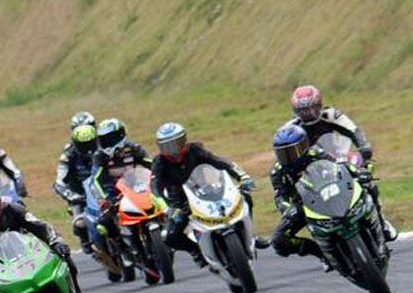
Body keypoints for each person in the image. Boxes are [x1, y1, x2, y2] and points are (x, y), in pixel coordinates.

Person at [287, 85, 395, 240]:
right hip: (314, 170)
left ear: (319, 105)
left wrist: (364, 146)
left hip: (341, 157)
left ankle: (381, 221)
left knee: (367, 181)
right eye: (303, 110)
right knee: (304, 202)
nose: (308, 114)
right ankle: (324, 243)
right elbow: (286, 154)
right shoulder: (293, 128)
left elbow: (354, 130)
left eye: (312, 108)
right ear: (296, 111)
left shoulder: (331, 114)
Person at [267, 123, 383, 264]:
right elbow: (280, 196)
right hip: (304, 205)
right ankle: (320, 253)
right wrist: (287, 209)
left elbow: (339, 166)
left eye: (293, 151)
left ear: (304, 145)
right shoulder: (277, 171)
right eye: (283, 153)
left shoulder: (315, 153)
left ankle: (381, 226)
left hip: (331, 190)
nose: (288, 157)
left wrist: (357, 173)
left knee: (367, 185)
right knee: (279, 242)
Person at [151, 122, 259, 265]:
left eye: (176, 143)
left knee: (245, 198)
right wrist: (168, 209)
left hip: (206, 190)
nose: (173, 150)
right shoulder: (159, 163)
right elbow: (154, 188)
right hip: (180, 202)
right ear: (161, 148)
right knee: (171, 237)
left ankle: (251, 237)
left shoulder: (195, 150)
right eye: (167, 146)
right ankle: (197, 251)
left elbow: (219, 162)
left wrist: (242, 176)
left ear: (184, 140)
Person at [53, 124, 100, 253]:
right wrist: (71, 195)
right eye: (83, 145)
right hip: (80, 195)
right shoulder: (68, 156)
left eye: (91, 144)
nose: (88, 149)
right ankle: (85, 240)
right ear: (75, 144)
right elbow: (59, 182)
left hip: (103, 191)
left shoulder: (103, 150)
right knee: (79, 223)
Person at [89, 118, 151, 205]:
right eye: (103, 139)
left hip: (135, 191)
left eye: (109, 138)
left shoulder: (134, 149)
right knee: (103, 218)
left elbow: (154, 165)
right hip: (112, 198)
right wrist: (102, 198)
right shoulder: (100, 156)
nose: (106, 142)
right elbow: (94, 180)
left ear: (120, 135)